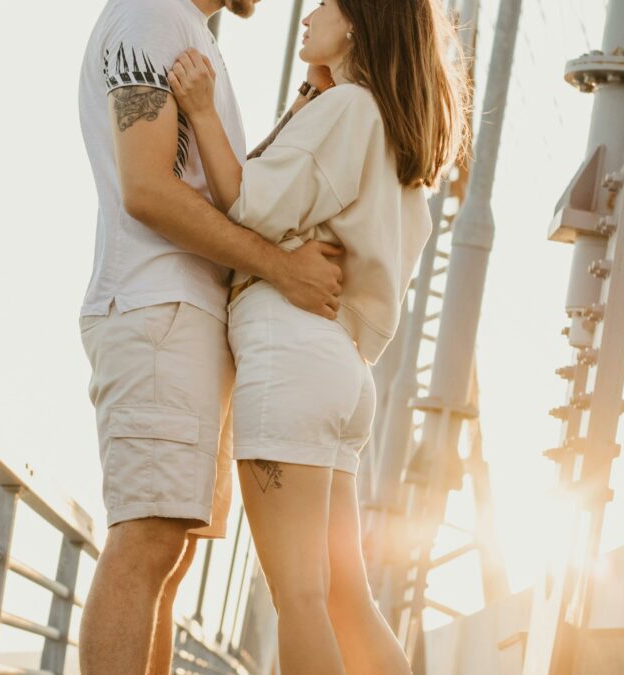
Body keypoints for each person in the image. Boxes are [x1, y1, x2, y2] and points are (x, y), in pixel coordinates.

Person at [167, 0, 468, 671]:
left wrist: (202, 108)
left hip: (288, 352)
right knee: (346, 600)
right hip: (341, 367)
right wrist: (308, 97)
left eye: (325, 4)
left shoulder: (350, 109)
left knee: (300, 598)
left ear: (359, 20)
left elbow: (247, 202)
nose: (308, 14)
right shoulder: (389, 135)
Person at [75, 0, 347, 672]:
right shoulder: (151, 18)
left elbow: (218, 186)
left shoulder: (184, 30)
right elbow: (147, 188)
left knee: (171, 553)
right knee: (145, 542)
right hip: (157, 309)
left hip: (189, 318)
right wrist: (283, 269)